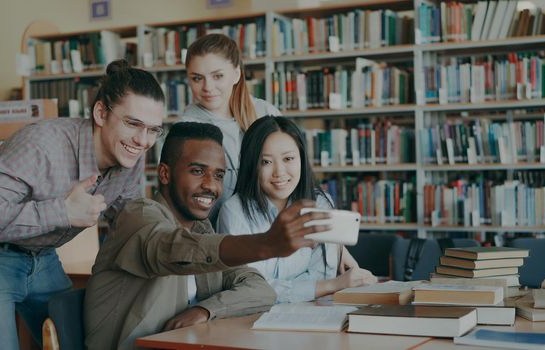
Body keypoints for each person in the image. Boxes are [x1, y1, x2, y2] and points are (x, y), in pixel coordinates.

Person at [0, 59, 166, 349]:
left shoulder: (130, 157)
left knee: (79, 344)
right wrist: (62, 211)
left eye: (153, 130)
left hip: (42, 258)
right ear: (100, 112)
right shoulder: (42, 144)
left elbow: (131, 223)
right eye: (132, 124)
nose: (143, 141)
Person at [85, 122, 331, 349]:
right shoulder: (137, 215)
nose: (211, 186)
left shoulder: (202, 230)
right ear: (164, 174)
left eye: (218, 175)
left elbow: (260, 290)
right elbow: (173, 250)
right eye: (197, 171)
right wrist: (267, 244)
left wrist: (205, 310)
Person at [217, 116, 377, 303]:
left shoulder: (320, 203)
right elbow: (249, 290)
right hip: (249, 320)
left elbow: (321, 274)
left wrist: (298, 288)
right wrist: (333, 285)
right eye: (266, 162)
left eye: (288, 159)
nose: (279, 172)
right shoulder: (234, 212)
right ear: (252, 165)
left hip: (309, 314)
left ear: (301, 158)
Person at [180, 33, 281, 223]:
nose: (208, 87)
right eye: (197, 78)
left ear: (236, 74)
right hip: (216, 237)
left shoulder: (266, 113)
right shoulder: (186, 129)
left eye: (217, 76)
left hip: (271, 225)